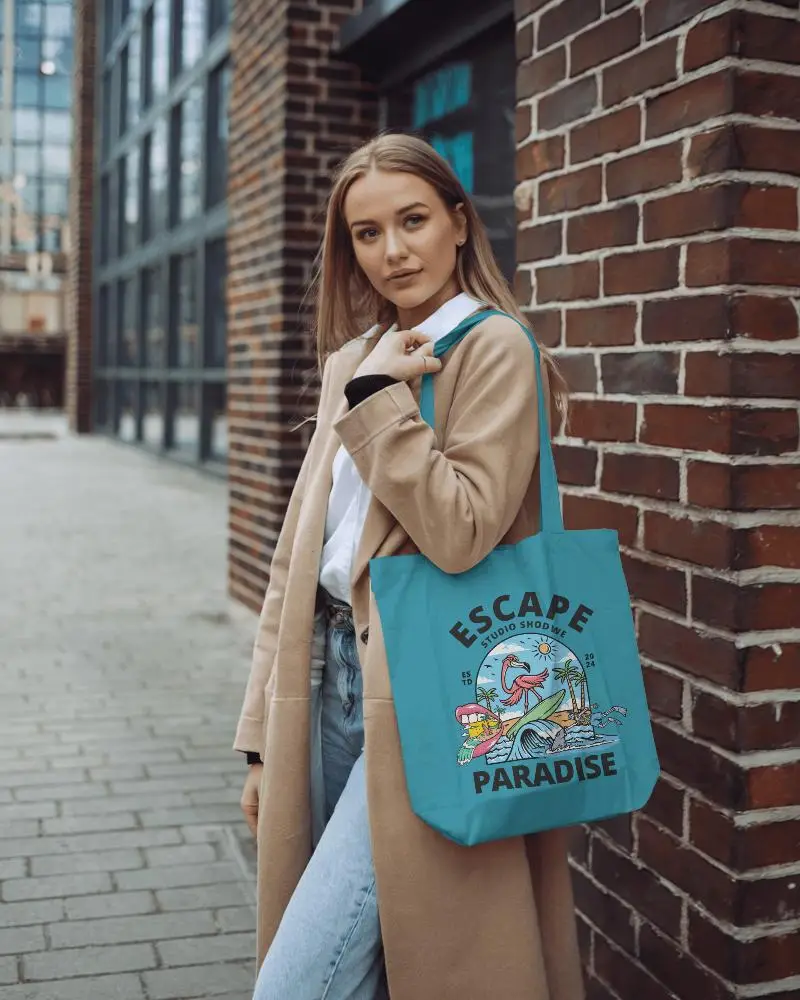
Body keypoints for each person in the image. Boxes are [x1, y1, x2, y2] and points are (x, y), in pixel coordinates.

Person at [234, 131, 584, 1000]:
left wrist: (380, 406)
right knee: (374, 967)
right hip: (322, 682)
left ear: (459, 224)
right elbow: (295, 559)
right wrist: (255, 741)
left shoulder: (496, 349)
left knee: (306, 979)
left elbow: (462, 530)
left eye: (414, 220)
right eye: (366, 232)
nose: (393, 251)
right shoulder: (352, 360)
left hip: (429, 690)